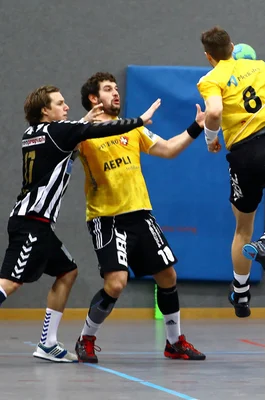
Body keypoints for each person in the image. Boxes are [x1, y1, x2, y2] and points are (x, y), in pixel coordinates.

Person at [0, 84, 158, 362]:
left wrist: (83, 122)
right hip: (30, 224)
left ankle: (47, 343)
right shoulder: (60, 131)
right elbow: (95, 131)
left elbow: (71, 134)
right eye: (60, 103)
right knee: (10, 283)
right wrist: (140, 121)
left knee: (68, 271)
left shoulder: (32, 134)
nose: (67, 106)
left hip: (38, 224)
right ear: (45, 110)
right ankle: (47, 342)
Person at [74, 72, 206, 363]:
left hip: (140, 214)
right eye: (108, 89)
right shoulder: (82, 134)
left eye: (117, 88)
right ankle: (86, 338)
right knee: (116, 283)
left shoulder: (132, 130)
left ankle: (174, 343)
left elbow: (169, 149)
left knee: (168, 275)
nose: (116, 93)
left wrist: (197, 127)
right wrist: (84, 122)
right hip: (106, 218)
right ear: (94, 99)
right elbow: (65, 151)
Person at [198, 27, 265, 318]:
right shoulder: (261, 67)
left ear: (209, 56)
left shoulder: (210, 79)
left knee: (242, 228)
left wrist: (211, 139)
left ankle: (241, 293)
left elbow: (215, 113)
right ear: (232, 46)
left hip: (239, 156)